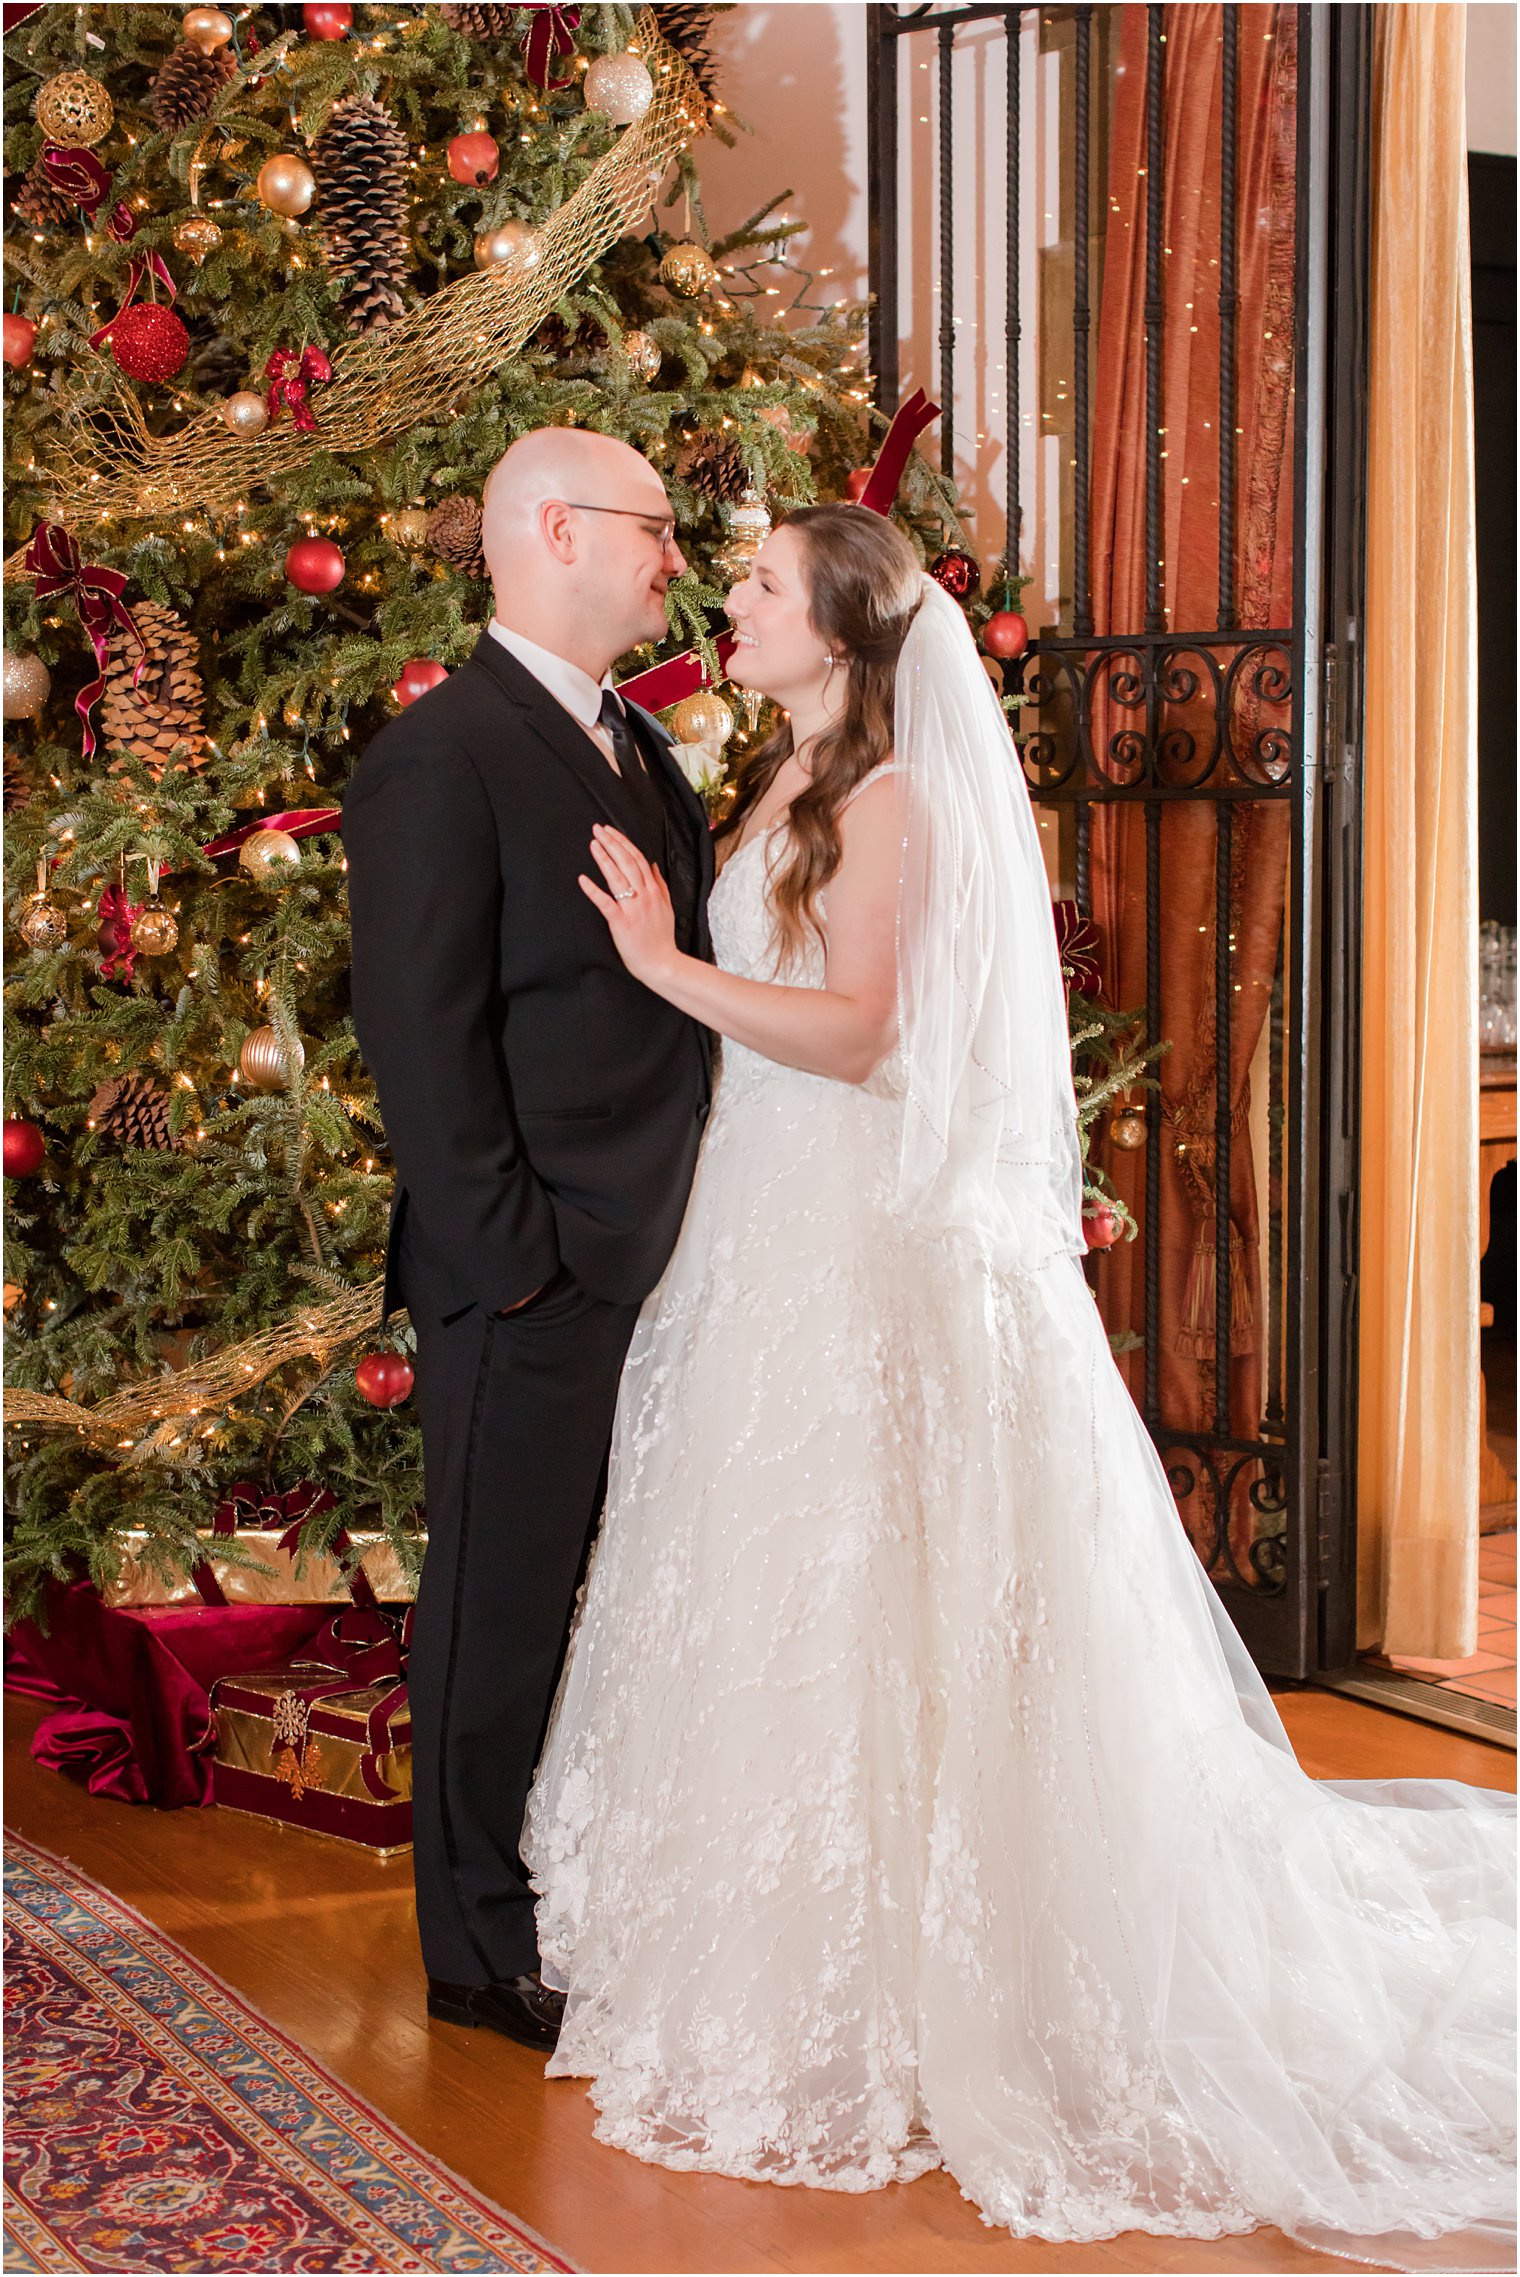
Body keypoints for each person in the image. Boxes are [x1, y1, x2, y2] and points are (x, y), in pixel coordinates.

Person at [523, 503, 1516, 2266]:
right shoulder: (786, 772)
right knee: (785, 1584)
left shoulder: (891, 795)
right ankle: (798, 1950)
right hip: (768, 1220)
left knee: (873, 1586)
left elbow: (865, 1033)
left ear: (839, 630)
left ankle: (926, 1982)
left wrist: (670, 967)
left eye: (757, 585)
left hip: (846, 1227)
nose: (727, 602)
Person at [343, 430, 714, 2052]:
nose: (674, 559)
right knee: (494, 1614)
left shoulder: (639, 742)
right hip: (536, 1275)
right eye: (653, 529)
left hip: (670, 1262)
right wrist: (518, 1263)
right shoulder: (446, 754)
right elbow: (421, 1041)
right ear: (554, 529)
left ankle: (582, 1890)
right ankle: (476, 1943)